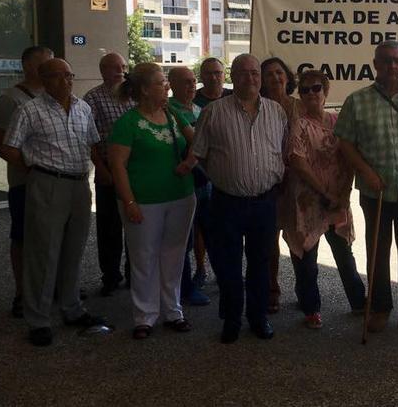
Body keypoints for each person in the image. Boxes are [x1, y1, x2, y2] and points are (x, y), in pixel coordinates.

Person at [2, 58, 108, 346]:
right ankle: (38, 319)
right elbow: (9, 147)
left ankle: (72, 308)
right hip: (48, 183)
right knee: (43, 254)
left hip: (79, 185)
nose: (66, 81)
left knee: (73, 250)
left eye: (69, 75)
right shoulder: (30, 110)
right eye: (58, 76)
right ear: (44, 79)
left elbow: (93, 144)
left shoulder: (83, 108)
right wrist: (35, 170)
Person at [192, 54, 286, 344]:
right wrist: (225, 177)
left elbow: (280, 152)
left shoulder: (276, 112)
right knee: (228, 265)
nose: (251, 78)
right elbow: (200, 155)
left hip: (264, 203)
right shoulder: (214, 112)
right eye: (243, 73)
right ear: (233, 76)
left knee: (260, 263)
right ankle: (231, 320)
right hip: (227, 203)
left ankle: (258, 318)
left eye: (255, 73)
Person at [335, 40, 398, 333]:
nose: (392, 66)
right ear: (375, 64)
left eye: (397, 61)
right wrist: (366, 172)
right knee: (378, 251)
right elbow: (345, 143)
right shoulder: (356, 101)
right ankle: (381, 306)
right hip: (376, 190)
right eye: (385, 61)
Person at [109, 63, 198, 339]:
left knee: (174, 254)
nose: (167, 87)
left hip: (181, 197)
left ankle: (173, 310)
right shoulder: (128, 123)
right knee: (143, 257)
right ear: (145, 90)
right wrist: (129, 202)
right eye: (161, 83)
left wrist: (190, 161)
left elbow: (197, 142)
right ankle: (144, 315)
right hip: (144, 201)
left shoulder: (172, 114)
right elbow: (118, 166)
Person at [283, 70, 366, 329]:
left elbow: (351, 158)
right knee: (308, 258)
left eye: (316, 88)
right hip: (310, 199)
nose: (311, 94)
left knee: (344, 254)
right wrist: (325, 193)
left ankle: (360, 303)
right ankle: (311, 308)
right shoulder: (297, 124)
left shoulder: (338, 122)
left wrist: (343, 194)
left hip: (338, 199)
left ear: (326, 91)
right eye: (305, 90)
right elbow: (298, 162)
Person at [0, 45, 53, 317]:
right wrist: (28, 168)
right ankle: (22, 292)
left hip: (55, 182)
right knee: (24, 236)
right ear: (27, 66)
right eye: (44, 64)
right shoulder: (11, 99)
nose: (50, 69)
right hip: (25, 183)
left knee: (53, 235)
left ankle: (52, 287)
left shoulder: (55, 95)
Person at [83, 52, 134, 296]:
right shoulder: (93, 98)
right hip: (108, 169)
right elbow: (89, 138)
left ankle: (135, 274)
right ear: (103, 70)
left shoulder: (133, 94)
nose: (121, 71)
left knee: (136, 223)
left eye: (123, 67)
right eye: (115, 67)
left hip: (136, 169)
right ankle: (111, 276)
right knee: (109, 226)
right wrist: (100, 169)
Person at [260, 57, 301, 314]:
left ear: (287, 76)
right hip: (270, 181)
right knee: (269, 241)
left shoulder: (300, 106)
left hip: (298, 181)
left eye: (279, 72)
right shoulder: (259, 107)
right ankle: (271, 290)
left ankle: (305, 290)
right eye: (269, 74)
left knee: (299, 239)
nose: (275, 78)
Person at [167, 67, 211, 307]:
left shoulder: (198, 109)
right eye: (185, 82)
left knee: (209, 232)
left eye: (193, 81)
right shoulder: (169, 109)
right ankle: (184, 287)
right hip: (184, 183)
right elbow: (198, 144)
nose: (192, 86)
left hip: (206, 182)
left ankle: (208, 275)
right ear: (171, 84)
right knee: (184, 239)